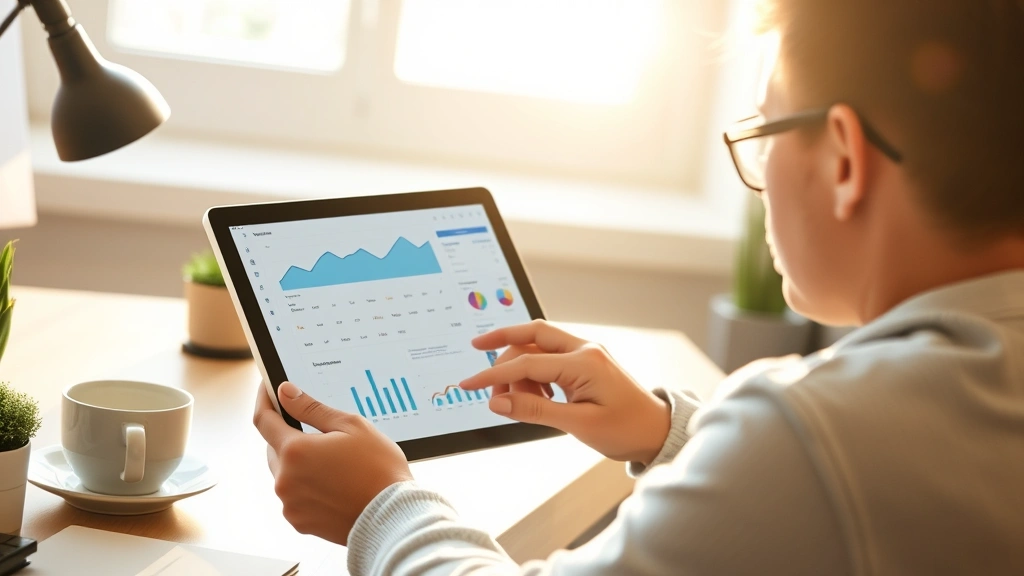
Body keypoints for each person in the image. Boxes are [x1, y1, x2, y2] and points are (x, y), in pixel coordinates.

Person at [253, 0, 1024, 573]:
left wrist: (380, 508)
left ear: (845, 161)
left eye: (763, 133)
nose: (757, 177)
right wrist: (670, 431)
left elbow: (824, 469)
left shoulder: (814, 432)